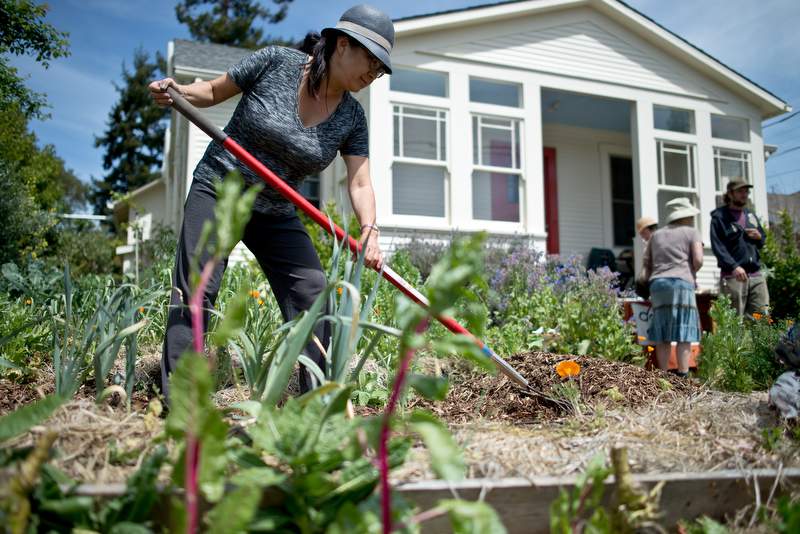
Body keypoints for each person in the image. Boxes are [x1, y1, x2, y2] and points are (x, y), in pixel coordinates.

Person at [148, 4, 394, 401]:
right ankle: (178, 405)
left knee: (313, 295)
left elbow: (361, 182)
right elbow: (212, 91)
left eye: (381, 69)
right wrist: (178, 91)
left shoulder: (352, 118)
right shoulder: (276, 62)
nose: (374, 73)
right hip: (221, 189)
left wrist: (370, 230)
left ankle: (314, 409)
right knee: (197, 287)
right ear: (343, 44)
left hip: (275, 210)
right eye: (372, 60)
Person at [641, 198, 704, 376]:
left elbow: (647, 263)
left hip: (658, 284)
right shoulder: (692, 232)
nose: (692, 218)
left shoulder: (656, 235)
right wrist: (692, 270)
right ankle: (683, 375)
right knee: (684, 330)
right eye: (691, 215)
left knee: (663, 331)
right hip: (681, 283)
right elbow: (698, 259)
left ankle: (663, 376)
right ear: (685, 216)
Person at [710, 179, 769, 317]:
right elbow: (717, 247)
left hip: (756, 276)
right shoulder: (719, 217)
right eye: (740, 191)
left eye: (746, 191)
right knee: (733, 323)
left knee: (761, 320)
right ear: (730, 194)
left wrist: (759, 237)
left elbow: (763, 240)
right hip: (733, 277)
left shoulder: (751, 215)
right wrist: (734, 266)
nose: (745, 194)